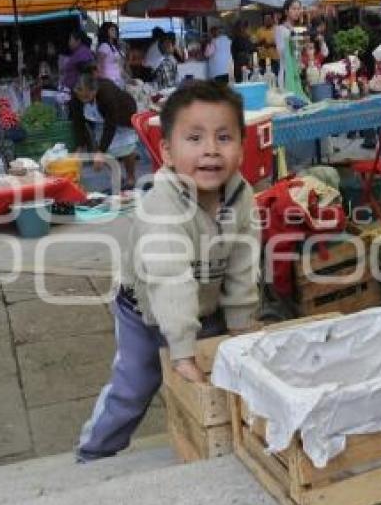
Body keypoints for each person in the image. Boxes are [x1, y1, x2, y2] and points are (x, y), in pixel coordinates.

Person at [76, 80, 258, 460]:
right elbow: (170, 276)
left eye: (224, 137)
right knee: (135, 386)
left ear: (242, 146)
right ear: (167, 152)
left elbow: (243, 263)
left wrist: (242, 325)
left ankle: (222, 442)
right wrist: (181, 350)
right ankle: (95, 451)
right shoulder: (161, 204)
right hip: (144, 310)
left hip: (206, 304)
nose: (210, 150)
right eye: (194, 138)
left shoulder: (242, 197)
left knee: (225, 374)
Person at [70, 72, 139, 188]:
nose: (83, 100)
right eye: (80, 96)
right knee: (107, 150)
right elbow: (78, 122)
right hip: (99, 119)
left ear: (94, 90)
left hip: (122, 115)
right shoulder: (76, 96)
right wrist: (79, 146)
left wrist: (100, 152)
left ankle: (131, 177)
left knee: (127, 146)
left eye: (87, 97)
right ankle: (118, 176)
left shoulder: (107, 92)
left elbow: (110, 124)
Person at [276, 0, 304, 91]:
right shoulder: (280, 29)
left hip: (296, 73)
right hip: (286, 74)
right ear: (286, 11)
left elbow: (298, 53)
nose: (297, 11)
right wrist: (293, 35)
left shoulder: (295, 30)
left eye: (298, 9)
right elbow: (282, 52)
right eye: (293, 9)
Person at [95, 22, 126, 87]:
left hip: (118, 80)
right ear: (106, 31)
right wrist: (103, 82)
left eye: (115, 30)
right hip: (108, 82)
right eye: (112, 30)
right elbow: (99, 65)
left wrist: (128, 79)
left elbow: (120, 67)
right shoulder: (104, 46)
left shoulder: (115, 47)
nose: (115, 32)